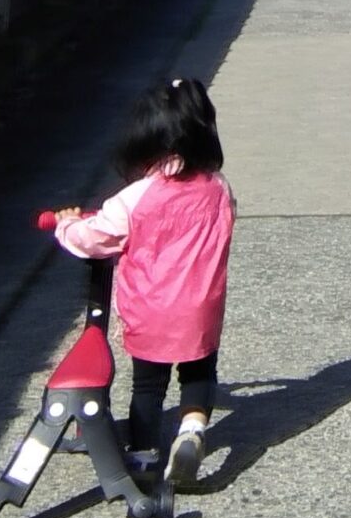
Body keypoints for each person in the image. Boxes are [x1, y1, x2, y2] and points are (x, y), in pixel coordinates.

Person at [53, 78, 235, 490]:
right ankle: (192, 433)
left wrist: (66, 225)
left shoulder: (135, 197)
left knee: (148, 386)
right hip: (202, 308)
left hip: (152, 313)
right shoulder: (219, 189)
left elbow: (96, 238)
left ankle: (146, 455)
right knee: (199, 374)